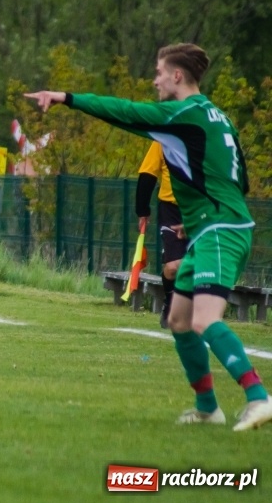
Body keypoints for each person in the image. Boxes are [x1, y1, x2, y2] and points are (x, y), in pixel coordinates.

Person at [25, 43, 272, 432]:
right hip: (214, 226)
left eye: (159, 72)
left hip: (220, 231)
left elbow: (124, 112)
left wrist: (66, 98)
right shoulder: (217, 115)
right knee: (178, 319)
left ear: (177, 75)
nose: (154, 79)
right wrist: (204, 216)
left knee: (206, 321)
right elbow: (238, 176)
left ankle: (258, 397)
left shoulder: (181, 114)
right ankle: (208, 407)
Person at [135, 141, 186, 328]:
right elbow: (148, 173)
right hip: (171, 210)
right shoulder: (163, 140)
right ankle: (170, 302)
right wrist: (142, 209)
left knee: (196, 266)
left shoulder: (203, 140)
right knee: (173, 267)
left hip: (198, 210)